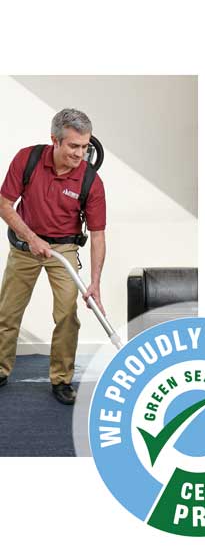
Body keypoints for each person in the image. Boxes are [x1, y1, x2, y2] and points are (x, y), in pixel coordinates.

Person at [0, 108, 106, 405]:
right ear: (55, 141)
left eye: (85, 147)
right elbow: (5, 204)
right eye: (73, 146)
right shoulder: (28, 159)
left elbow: (98, 235)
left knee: (67, 315)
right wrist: (31, 238)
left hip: (63, 250)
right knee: (7, 312)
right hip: (25, 246)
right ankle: (0, 369)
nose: (80, 154)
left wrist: (94, 282)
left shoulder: (90, 181)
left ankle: (61, 379)